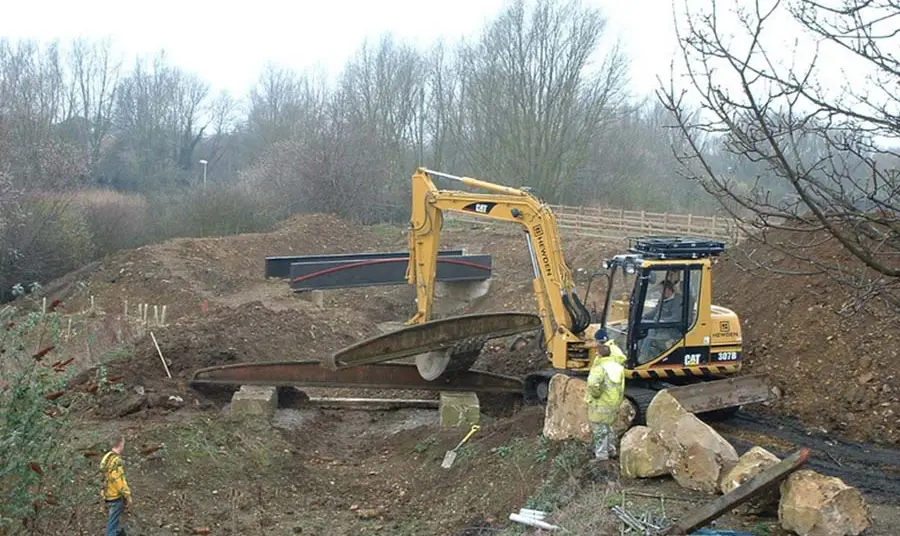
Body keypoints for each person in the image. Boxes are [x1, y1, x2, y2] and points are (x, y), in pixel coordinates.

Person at [585, 328, 627, 461]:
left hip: (601, 400)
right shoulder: (618, 366)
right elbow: (620, 386)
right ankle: (611, 449)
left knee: (600, 429)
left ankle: (601, 455)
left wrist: (595, 395)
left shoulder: (601, 367)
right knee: (608, 426)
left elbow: (593, 384)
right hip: (613, 400)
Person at [100, 433, 132, 536]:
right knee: (112, 524)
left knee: (114, 521)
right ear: (121, 443)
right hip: (115, 496)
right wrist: (127, 495)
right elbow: (119, 480)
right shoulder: (116, 461)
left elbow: (102, 476)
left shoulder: (106, 457)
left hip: (107, 494)